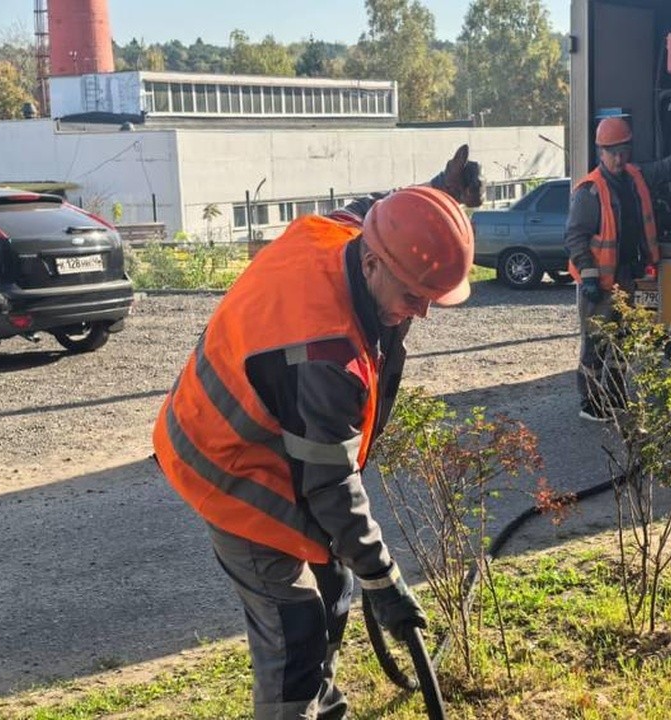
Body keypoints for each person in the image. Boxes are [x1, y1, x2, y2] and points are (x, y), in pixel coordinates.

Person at [152, 146, 482, 719]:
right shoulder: (324, 354)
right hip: (229, 466)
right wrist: (385, 580)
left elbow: (392, 213)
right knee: (296, 625)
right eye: (412, 298)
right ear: (375, 266)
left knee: (333, 588)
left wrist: (440, 195)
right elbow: (330, 486)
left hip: (276, 436)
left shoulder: (352, 234)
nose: (420, 314)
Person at [565, 116, 671, 422]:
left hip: (636, 275)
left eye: (623, 150)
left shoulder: (636, 176)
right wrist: (588, 275)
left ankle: (615, 396)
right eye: (611, 151)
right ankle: (589, 403)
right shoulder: (589, 190)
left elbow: (669, 167)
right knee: (597, 343)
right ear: (600, 152)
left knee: (627, 339)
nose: (618, 157)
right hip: (601, 282)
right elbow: (575, 236)